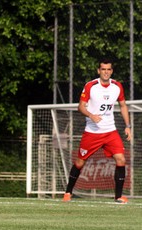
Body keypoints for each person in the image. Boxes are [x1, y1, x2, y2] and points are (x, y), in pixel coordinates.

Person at [63, 59, 131, 203]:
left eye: (108, 69)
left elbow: (123, 106)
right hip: (92, 132)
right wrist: (91, 115)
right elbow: (81, 107)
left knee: (121, 159)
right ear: (98, 71)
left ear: (111, 71)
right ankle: (68, 192)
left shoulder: (117, 86)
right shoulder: (90, 86)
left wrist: (128, 126)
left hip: (110, 131)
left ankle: (118, 196)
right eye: (103, 69)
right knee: (80, 162)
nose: (106, 72)